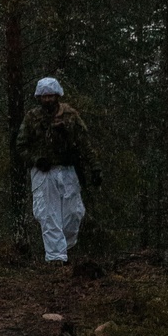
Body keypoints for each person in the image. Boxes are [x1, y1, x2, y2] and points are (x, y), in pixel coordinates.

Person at [16, 77, 101, 264]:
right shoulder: (32, 118)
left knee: (74, 213)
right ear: (39, 97)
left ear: (57, 95)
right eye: (44, 96)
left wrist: (95, 167)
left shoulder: (70, 115)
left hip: (68, 169)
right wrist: (36, 160)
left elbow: (84, 142)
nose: (47, 100)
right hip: (44, 172)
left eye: (51, 95)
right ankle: (56, 258)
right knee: (48, 214)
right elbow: (21, 146)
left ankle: (64, 247)